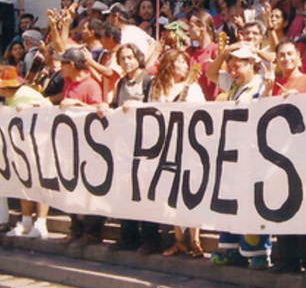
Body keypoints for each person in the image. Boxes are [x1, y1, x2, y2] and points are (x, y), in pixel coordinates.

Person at [206, 43, 270, 268]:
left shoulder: (261, 85)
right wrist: (224, 53)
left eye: (237, 67)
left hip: (253, 153)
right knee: (230, 201)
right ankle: (230, 248)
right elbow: (210, 73)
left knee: (251, 202)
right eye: (230, 68)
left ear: (251, 64)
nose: (232, 73)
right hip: (231, 152)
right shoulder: (232, 84)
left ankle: (257, 251)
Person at [264, 39, 306, 278]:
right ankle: (286, 259)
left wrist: (302, 100)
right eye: (282, 56)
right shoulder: (274, 85)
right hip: (278, 156)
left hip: (302, 156)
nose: (286, 59)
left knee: (304, 209)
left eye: (290, 55)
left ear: (299, 57)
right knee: (282, 208)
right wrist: (268, 91)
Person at [100, 43, 160, 255]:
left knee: (144, 190)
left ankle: (151, 239)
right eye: (122, 58)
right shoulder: (120, 84)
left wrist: (138, 107)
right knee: (125, 189)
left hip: (146, 144)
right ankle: (128, 236)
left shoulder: (150, 81)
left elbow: (157, 109)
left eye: (129, 57)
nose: (126, 62)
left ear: (138, 58)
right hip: (124, 144)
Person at [148, 48, 205, 258]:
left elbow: (202, 113)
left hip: (188, 143)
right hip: (165, 143)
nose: (184, 66)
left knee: (189, 190)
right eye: (180, 62)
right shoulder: (157, 86)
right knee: (170, 190)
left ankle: (195, 239)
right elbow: (154, 110)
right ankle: (178, 239)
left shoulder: (193, 87)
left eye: (185, 62)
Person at [56, 47, 104, 246]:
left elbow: (99, 110)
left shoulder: (91, 85)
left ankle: (92, 231)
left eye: (64, 64)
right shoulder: (68, 82)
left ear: (73, 65)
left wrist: (77, 105)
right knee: (71, 186)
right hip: (69, 143)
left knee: (89, 189)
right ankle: (75, 227)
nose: (60, 68)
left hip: (88, 144)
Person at [0, 65, 52, 239]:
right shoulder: (10, 98)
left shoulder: (25, 95)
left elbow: (48, 108)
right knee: (24, 182)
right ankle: (26, 221)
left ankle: (41, 222)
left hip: (40, 145)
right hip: (22, 147)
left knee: (40, 183)